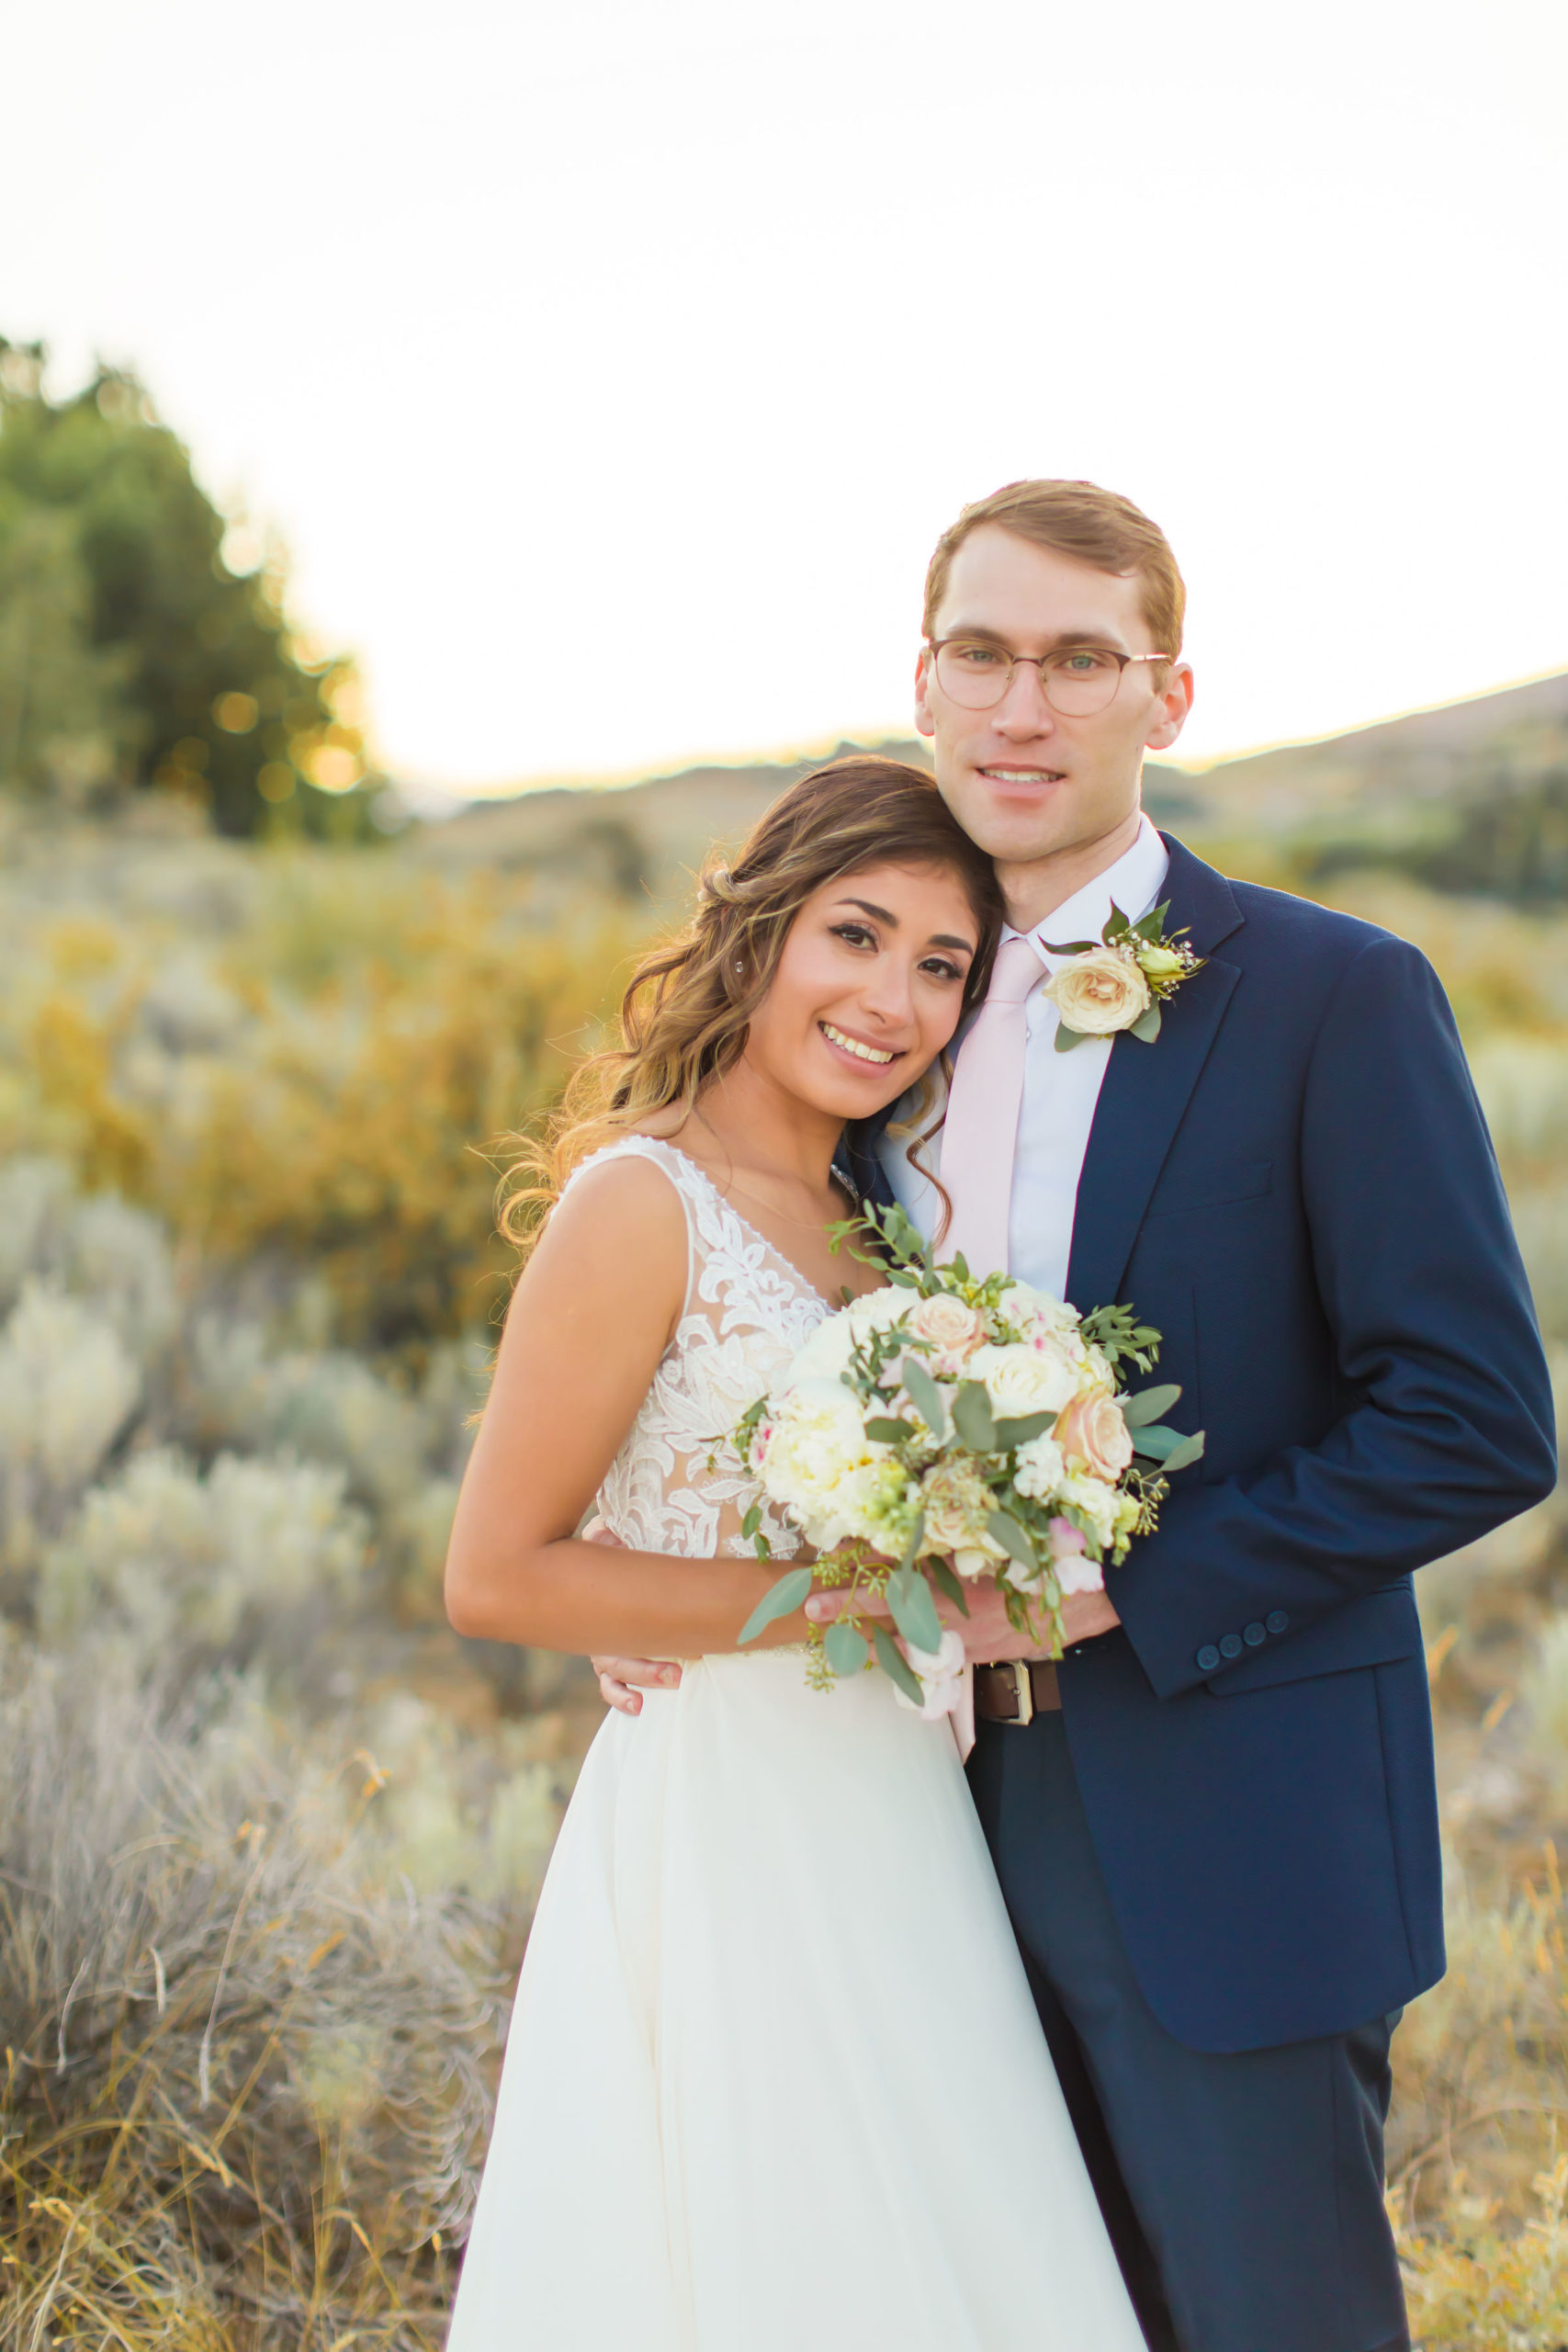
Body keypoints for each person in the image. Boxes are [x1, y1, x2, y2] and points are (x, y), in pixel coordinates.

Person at [596, 481, 1559, 2352]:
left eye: (1075, 658)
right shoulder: (878, 1014)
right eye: (980, 651)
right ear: (922, 680)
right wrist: (677, 1607)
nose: (1019, 705)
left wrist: (1129, 1585)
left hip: (1223, 1821)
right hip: (903, 1823)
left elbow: (1470, 1416)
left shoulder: (1331, 995)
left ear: (1165, 695)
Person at [442, 757, 1147, 2350]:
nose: (891, 997)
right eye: (856, 934)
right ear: (760, 933)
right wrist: (839, 1599)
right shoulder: (641, 1199)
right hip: (732, 1813)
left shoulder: (879, 1214)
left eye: (941, 965)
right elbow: (497, 1574)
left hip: (900, 1797)